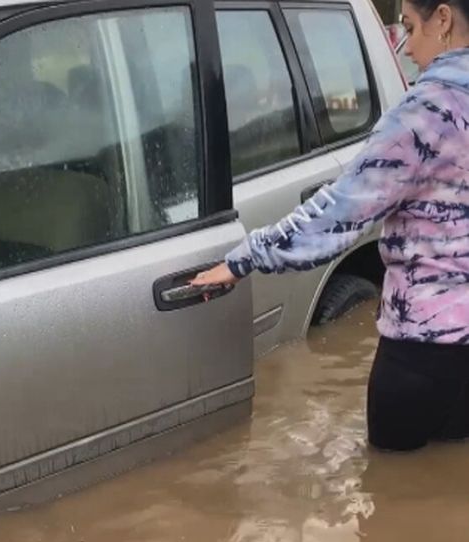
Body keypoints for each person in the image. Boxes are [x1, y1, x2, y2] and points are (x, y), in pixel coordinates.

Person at [191, 0, 469, 452]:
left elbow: (342, 211)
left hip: (423, 350)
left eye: (410, 27)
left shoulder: (428, 111)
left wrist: (244, 258)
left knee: (389, 503)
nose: (404, 45)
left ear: (443, 18)